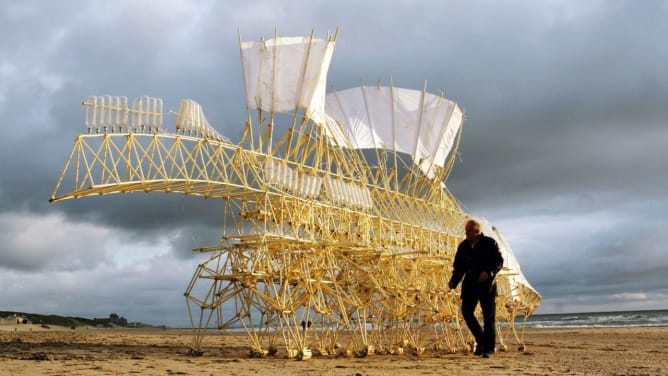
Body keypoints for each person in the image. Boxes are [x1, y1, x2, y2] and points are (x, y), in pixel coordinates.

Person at [448, 218, 503, 358]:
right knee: (466, 312)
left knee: (488, 317)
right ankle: (481, 341)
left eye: (469, 231)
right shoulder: (463, 247)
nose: (467, 234)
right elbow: (459, 267)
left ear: (478, 232)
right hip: (470, 285)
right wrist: (454, 281)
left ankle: (488, 348)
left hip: (486, 285)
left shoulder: (490, 243)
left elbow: (498, 261)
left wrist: (489, 272)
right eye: (466, 231)